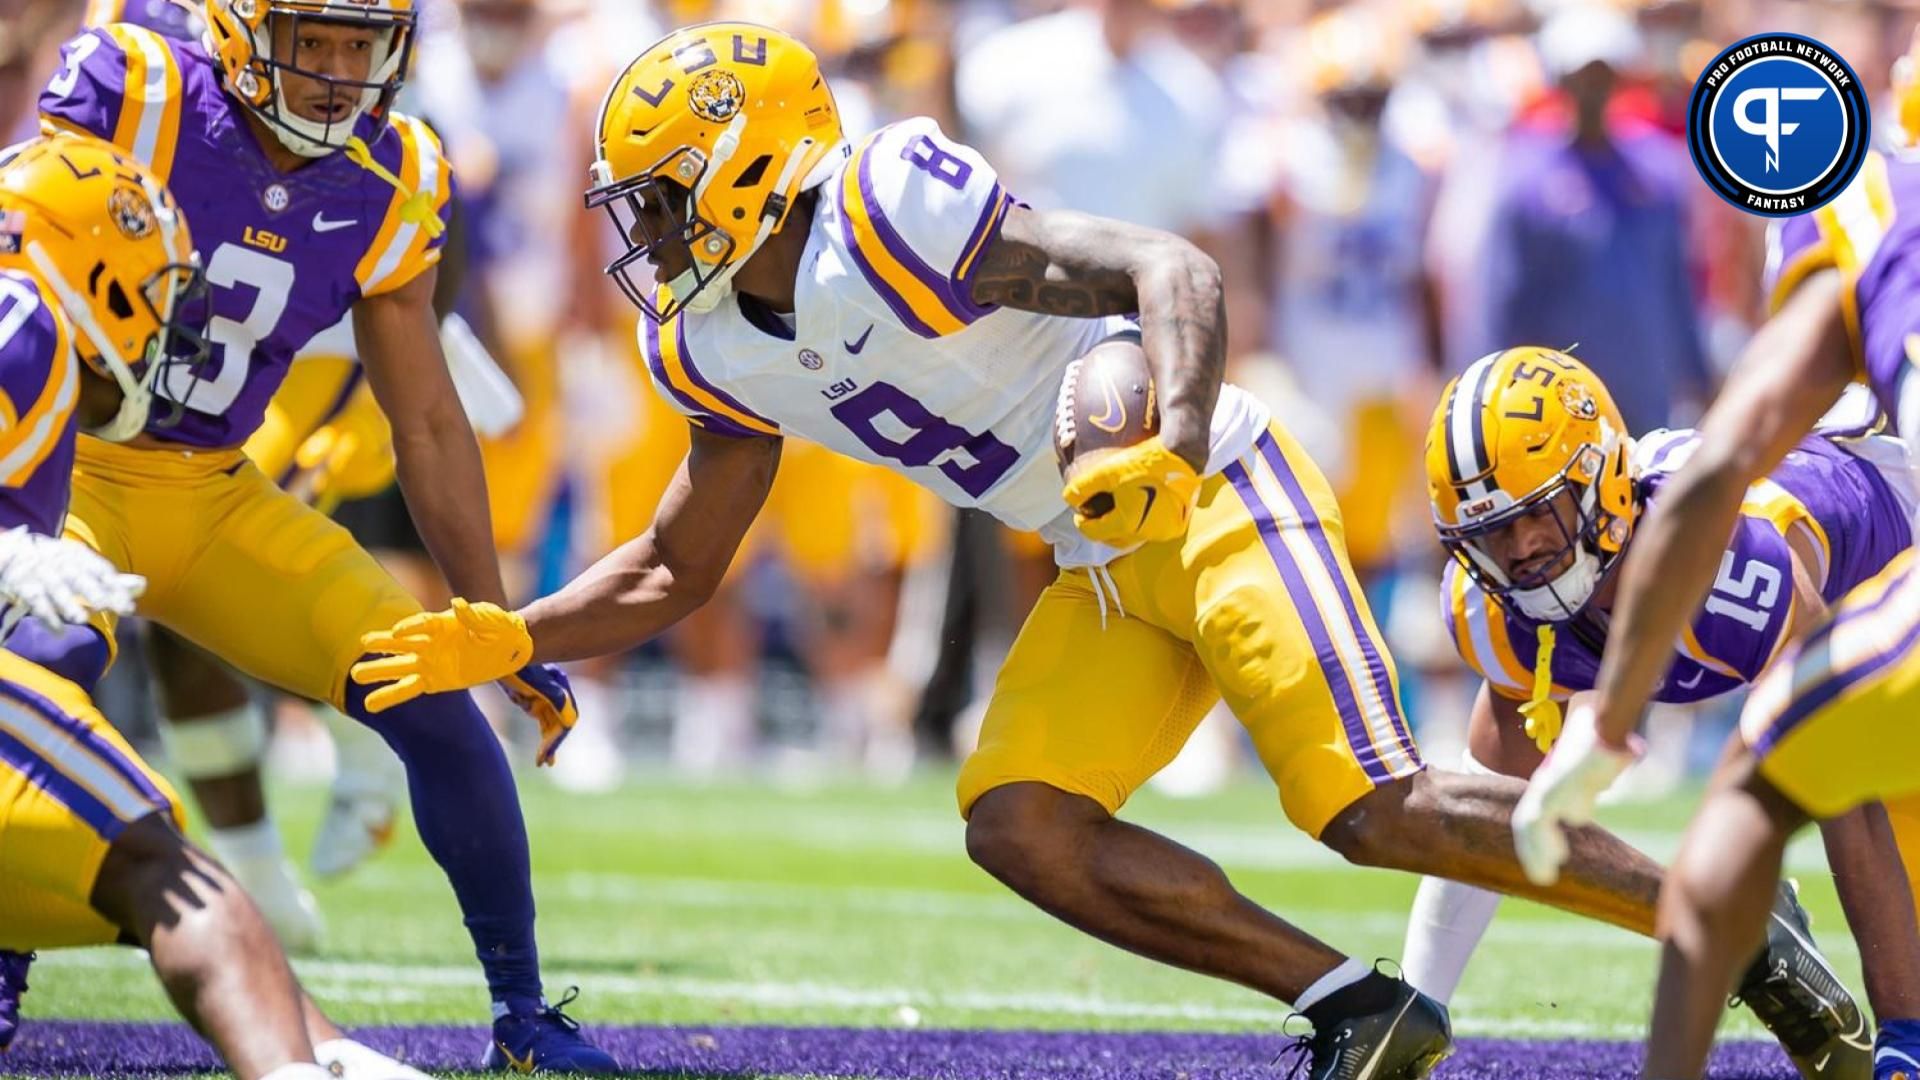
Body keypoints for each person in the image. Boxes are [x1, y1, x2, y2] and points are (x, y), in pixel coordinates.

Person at [345, 24, 1859, 1079]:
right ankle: (1354, 1009)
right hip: (1094, 559)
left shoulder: (888, 208)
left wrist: (1174, 440)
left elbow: (1167, 266)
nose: (648, 234)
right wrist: (514, 636)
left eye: (665, 197)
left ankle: (1719, 914)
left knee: (1367, 802)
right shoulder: (711, 339)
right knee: (1019, 819)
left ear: (747, 166)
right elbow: (681, 562)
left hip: (1205, 493)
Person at [21, 1, 614, 1070]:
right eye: (316, 40)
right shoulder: (140, 92)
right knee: (36, 688)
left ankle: (525, 1019)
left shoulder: (396, 174)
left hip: (214, 489)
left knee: (430, 692)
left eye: (362, 44)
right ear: (247, 33)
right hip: (71, 474)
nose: (342, 70)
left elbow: (428, 417)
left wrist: (496, 624)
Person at [1510, 57, 1920, 1080]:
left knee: (1764, 787)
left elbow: (1721, 469)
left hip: (1867, 536)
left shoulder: (1871, 204)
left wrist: (1609, 722)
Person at [0, 131, 433, 1080]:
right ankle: (311, 1060)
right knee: (158, 859)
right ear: (87, 274)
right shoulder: (23, 325)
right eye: (145, 286)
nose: (164, 325)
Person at [1404, 347, 1910, 1073]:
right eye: (1492, 532)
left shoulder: (1730, 562)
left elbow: (1844, 788)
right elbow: (1492, 809)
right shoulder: (1495, 613)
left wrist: (1904, 1034)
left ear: (1600, 481)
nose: (1522, 552)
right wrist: (1420, 1003)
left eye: (1540, 515)